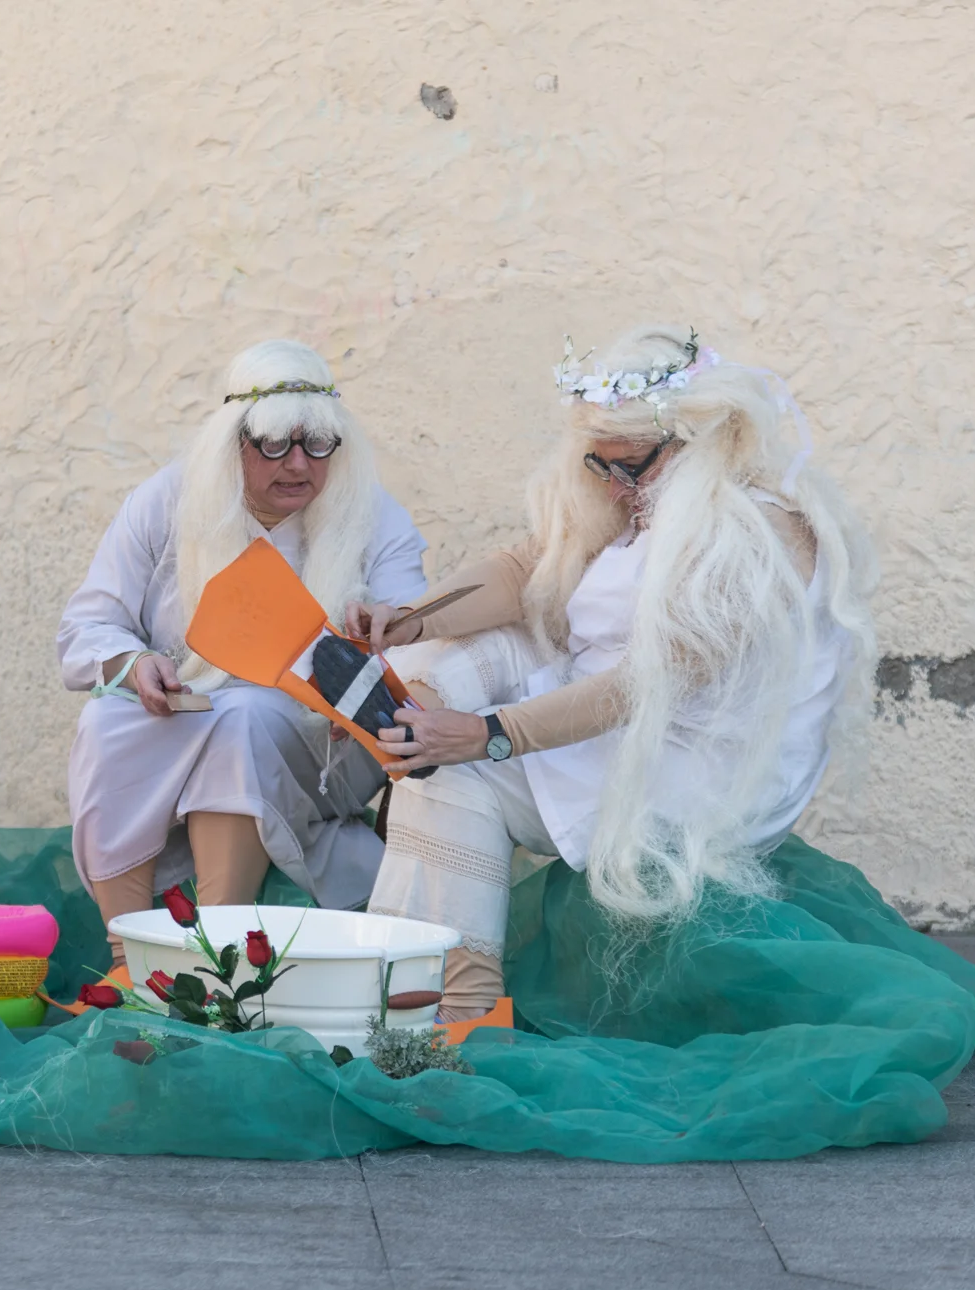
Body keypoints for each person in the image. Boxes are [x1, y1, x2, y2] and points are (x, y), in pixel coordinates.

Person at [346, 325, 874, 1018]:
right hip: (622, 723)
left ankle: (457, 1008)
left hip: (687, 773)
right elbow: (529, 568)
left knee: (447, 775)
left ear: (700, 441)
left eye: (631, 468)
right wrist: (411, 618)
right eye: (600, 466)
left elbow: (649, 683)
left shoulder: (755, 534)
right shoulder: (647, 500)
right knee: (471, 653)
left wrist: (488, 736)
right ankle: (401, 729)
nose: (616, 487)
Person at [59, 340, 428, 962]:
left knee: (244, 716)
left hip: (323, 739)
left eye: (318, 444)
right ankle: (128, 950)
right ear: (233, 441)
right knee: (105, 719)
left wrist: (387, 634)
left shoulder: (372, 514)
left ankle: (216, 955)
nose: (299, 465)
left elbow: (415, 638)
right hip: (188, 715)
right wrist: (134, 663)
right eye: (275, 444)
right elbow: (88, 625)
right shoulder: (166, 501)